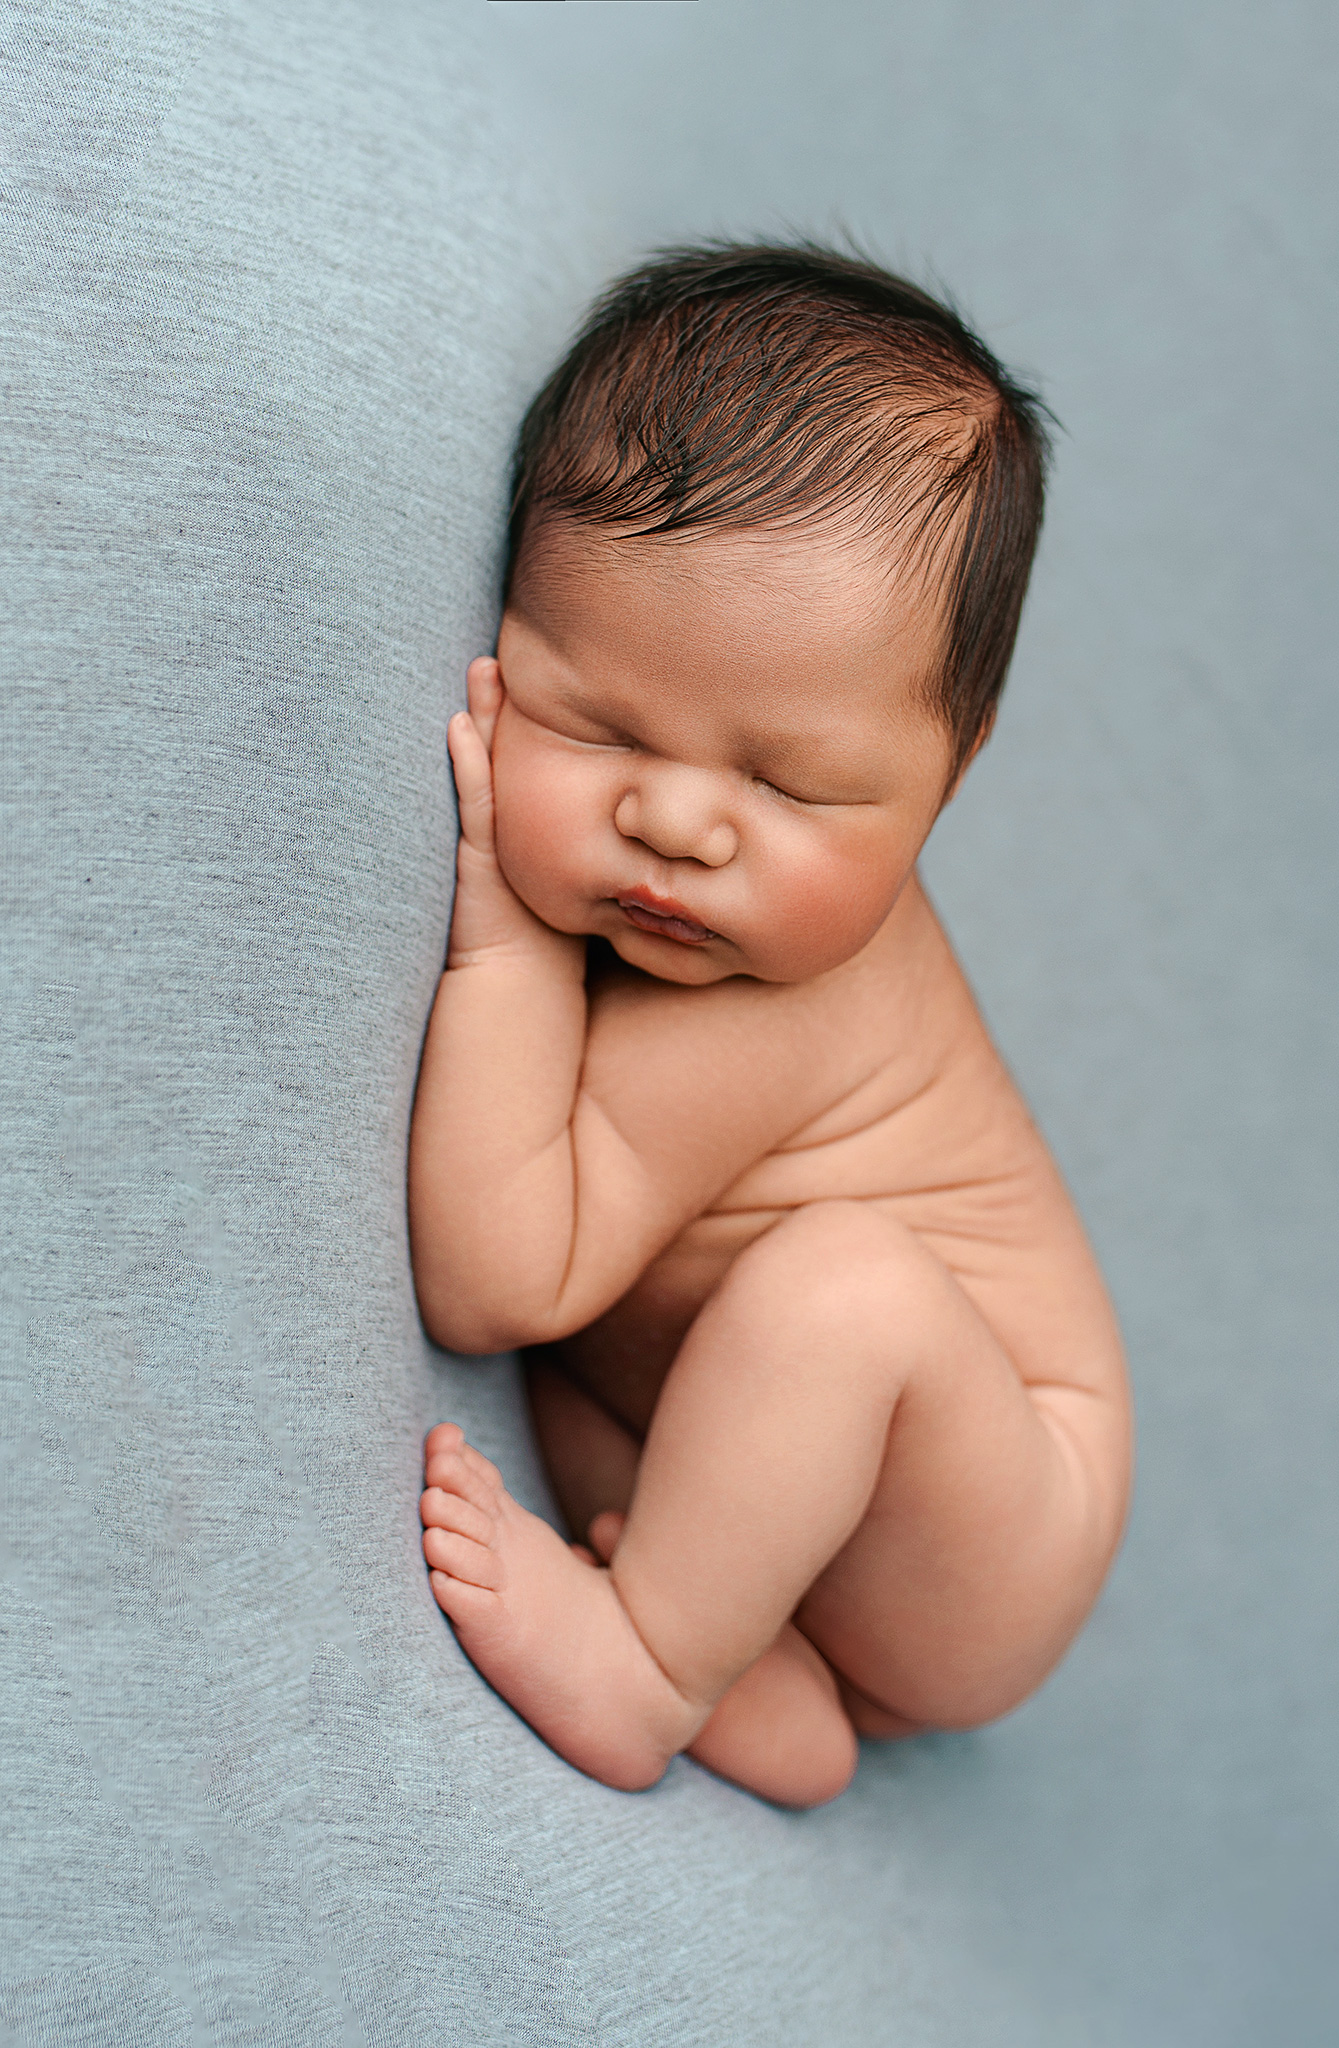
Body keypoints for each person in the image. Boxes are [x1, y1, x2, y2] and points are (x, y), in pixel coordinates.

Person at [408, 243, 1132, 1808]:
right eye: (593, 723)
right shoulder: (708, 912)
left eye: (786, 784)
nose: (674, 822)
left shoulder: (781, 1001)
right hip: (792, 1502)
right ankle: (780, 1690)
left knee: (842, 1286)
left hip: (981, 1530)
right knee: (594, 1368)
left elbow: (491, 1278)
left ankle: (653, 1668)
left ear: (952, 766)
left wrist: (508, 952)